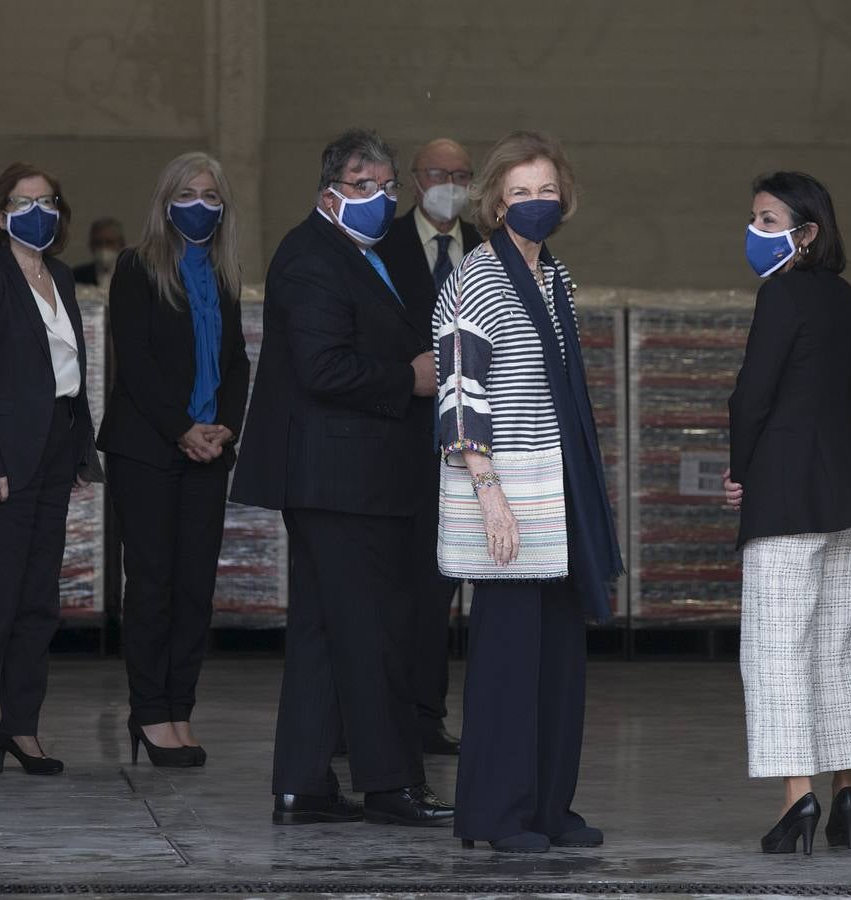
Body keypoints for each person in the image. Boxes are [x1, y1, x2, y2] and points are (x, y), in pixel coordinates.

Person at [230, 128, 454, 827]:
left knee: (326, 634)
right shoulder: (312, 258)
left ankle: (303, 785)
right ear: (330, 194)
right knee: (373, 632)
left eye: (388, 187)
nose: (381, 199)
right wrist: (410, 378)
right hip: (340, 479)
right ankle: (390, 787)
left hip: (353, 476)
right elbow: (322, 368)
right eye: (365, 187)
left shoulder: (363, 255)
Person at [433, 131, 623, 853]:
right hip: (508, 486)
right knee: (508, 661)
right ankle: (493, 814)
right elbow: (458, 391)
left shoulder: (554, 278)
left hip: (559, 485)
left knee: (557, 661)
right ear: (494, 201)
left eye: (547, 191)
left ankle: (549, 807)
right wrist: (488, 492)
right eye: (521, 193)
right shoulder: (478, 277)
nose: (536, 204)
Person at [723, 171, 851, 856]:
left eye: (769, 220)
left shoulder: (781, 294)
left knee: (779, 649)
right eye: (755, 218)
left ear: (808, 231)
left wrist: (741, 470)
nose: (755, 232)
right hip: (850, 491)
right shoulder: (847, 299)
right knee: (845, 645)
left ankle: (798, 800)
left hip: (788, 496)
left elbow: (751, 398)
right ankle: (848, 794)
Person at [0, 162, 99, 778]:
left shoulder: (60, 275)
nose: (39, 211)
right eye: (25, 201)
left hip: (54, 452)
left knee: (38, 604)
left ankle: (21, 728)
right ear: (0, 213)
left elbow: (71, 372)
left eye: (48, 200)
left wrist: (82, 449)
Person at [97, 152, 250, 768]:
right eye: (189, 193)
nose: (201, 205)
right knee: (154, 586)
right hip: (149, 449)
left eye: (211, 195)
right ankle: (149, 713)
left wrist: (224, 429)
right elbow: (133, 365)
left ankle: (179, 710)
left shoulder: (224, 273)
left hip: (211, 449)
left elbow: (236, 360)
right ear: (166, 201)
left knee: (195, 589)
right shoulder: (137, 268)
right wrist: (183, 428)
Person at [376, 138, 482, 756]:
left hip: (463, 440)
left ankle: (425, 714)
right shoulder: (381, 244)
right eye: (440, 172)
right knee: (389, 584)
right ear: (415, 180)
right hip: (394, 431)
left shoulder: (486, 249)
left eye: (462, 174)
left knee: (440, 585)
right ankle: (372, 714)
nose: (451, 182)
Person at [73, 217, 126, 289]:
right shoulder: (76, 276)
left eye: (109, 242)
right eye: (98, 243)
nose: (103, 247)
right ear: (91, 246)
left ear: (121, 245)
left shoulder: (130, 276)